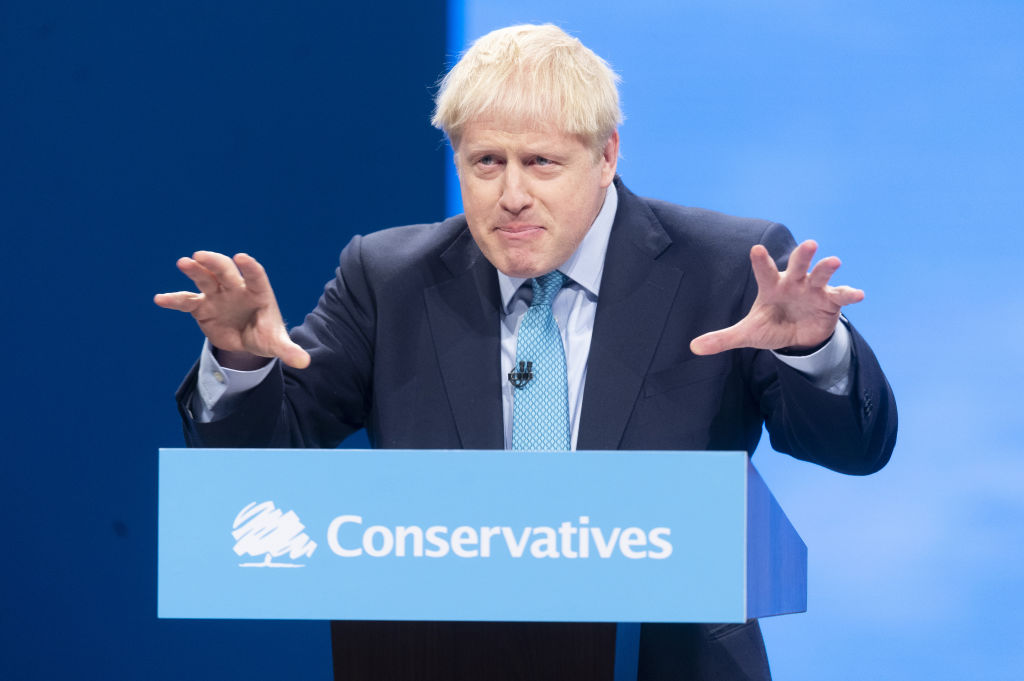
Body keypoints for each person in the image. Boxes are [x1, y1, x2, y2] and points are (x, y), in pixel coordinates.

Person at [156, 23, 896, 681]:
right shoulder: (388, 278)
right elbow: (256, 473)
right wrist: (242, 362)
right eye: (485, 163)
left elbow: (856, 447)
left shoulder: (728, 266)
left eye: (540, 162)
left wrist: (815, 350)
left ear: (606, 156)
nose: (510, 194)